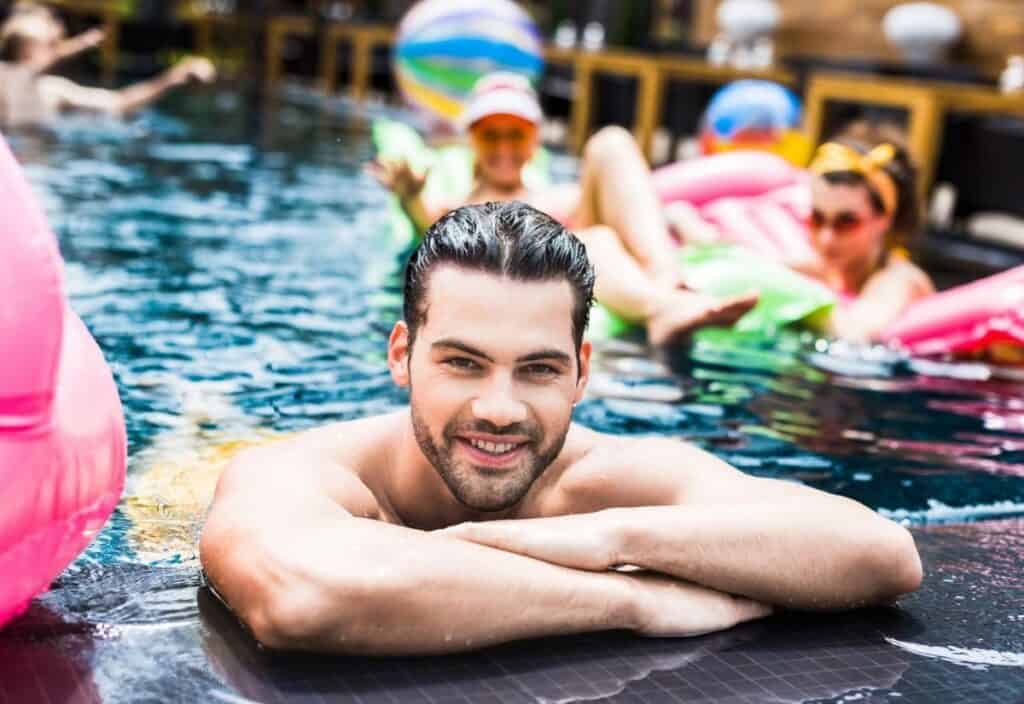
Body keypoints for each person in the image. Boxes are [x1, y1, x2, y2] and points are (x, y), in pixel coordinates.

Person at [200, 201, 922, 656]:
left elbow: (881, 554)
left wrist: (609, 539)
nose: (500, 408)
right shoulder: (306, 469)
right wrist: (634, 601)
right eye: (463, 363)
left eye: (538, 370)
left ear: (582, 371)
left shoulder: (604, 484)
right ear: (401, 355)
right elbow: (305, 595)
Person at [367, 73, 758, 346]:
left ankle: (666, 279)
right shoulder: (464, 208)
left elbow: (636, 204)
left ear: (535, 138)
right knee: (595, 240)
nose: (504, 147)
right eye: (491, 135)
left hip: (599, 247)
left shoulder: (559, 194)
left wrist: (683, 219)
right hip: (559, 264)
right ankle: (661, 309)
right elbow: (427, 223)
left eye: (515, 134)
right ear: (472, 139)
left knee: (611, 142)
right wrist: (408, 197)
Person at [803, 131, 934, 342]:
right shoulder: (822, 270)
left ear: (885, 218)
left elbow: (855, 335)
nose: (827, 238)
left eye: (846, 222)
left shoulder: (900, 281)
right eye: (817, 218)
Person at [0, 7, 216, 128]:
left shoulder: (51, 91)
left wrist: (173, 78)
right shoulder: (17, 82)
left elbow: (119, 102)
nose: (58, 50)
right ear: (29, 51)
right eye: (51, 44)